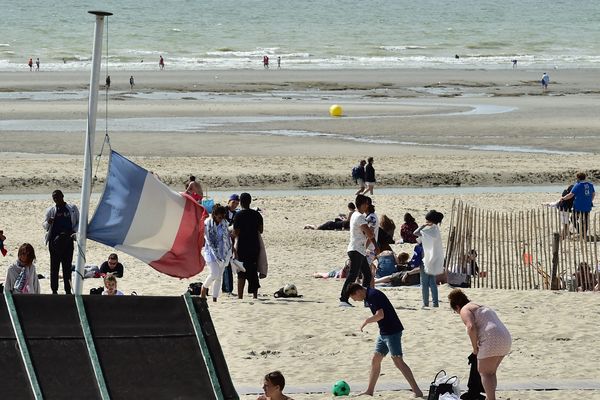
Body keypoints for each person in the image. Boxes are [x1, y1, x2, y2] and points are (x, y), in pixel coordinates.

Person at [347, 283, 423, 397]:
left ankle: (417, 391)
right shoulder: (369, 296)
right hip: (383, 332)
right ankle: (369, 390)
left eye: (354, 298)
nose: (356, 301)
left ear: (358, 292)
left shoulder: (373, 295)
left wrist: (366, 321)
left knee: (398, 361)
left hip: (392, 332)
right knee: (375, 360)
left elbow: (380, 315)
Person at [448, 289, 511, 400]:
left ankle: (491, 399)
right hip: (505, 338)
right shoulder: (479, 306)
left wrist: (474, 348)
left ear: (457, 307)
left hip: (492, 339)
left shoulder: (464, 309)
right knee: (490, 373)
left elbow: (471, 327)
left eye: (455, 311)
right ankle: (490, 397)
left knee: (485, 373)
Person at [339, 194, 374, 307]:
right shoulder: (359, 216)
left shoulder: (355, 214)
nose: (367, 206)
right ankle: (343, 299)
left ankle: (366, 299)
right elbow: (369, 233)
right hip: (356, 249)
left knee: (367, 275)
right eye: (366, 204)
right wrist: (371, 232)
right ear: (362, 204)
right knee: (353, 275)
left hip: (359, 250)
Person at [43, 190, 79, 294]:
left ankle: (68, 290)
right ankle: (54, 290)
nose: (56, 199)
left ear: (62, 196)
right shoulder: (51, 210)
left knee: (67, 267)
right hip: (54, 243)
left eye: (57, 197)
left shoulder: (72, 208)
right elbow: (44, 225)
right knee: (54, 268)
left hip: (68, 242)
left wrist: (73, 232)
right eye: (54, 197)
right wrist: (48, 222)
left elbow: (78, 222)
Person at [233, 193, 264, 299]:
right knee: (253, 270)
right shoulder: (257, 215)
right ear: (250, 202)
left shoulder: (238, 215)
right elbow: (261, 230)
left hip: (243, 245)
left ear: (240, 202)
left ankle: (240, 296)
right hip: (254, 245)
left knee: (242, 270)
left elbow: (236, 232)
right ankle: (255, 295)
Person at [201, 204, 233, 302]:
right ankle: (204, 288)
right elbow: (209, 241)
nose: (221, 219)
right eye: (220, 217)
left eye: (223, 217)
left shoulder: (224, 223)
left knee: (219, 276)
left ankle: (215, 298)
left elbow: (227, 238)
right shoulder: (207, 224)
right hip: (211, 252)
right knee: (214, 274)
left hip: (223, 252)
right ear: (214, 215)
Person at [414, 210, 444, 308]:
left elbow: (416, 233)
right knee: (432, 282)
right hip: (434, 258)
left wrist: (423, 225)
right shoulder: (436, 230)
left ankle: (425, 303)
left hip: (426, 259)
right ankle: (435, 303)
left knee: (424, 282)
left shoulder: (429, 230)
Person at [561, 172, 595, 238]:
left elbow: (571, 195)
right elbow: (593, 194)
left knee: (573, 219)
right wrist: (590, 201)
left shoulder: (578, 185)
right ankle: (584, 233)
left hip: (578, 206)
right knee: (585, 219)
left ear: (578, 178)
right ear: (585, 177)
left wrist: (563, 198)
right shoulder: (590, 185)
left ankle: (580, 231)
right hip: (587, 206)